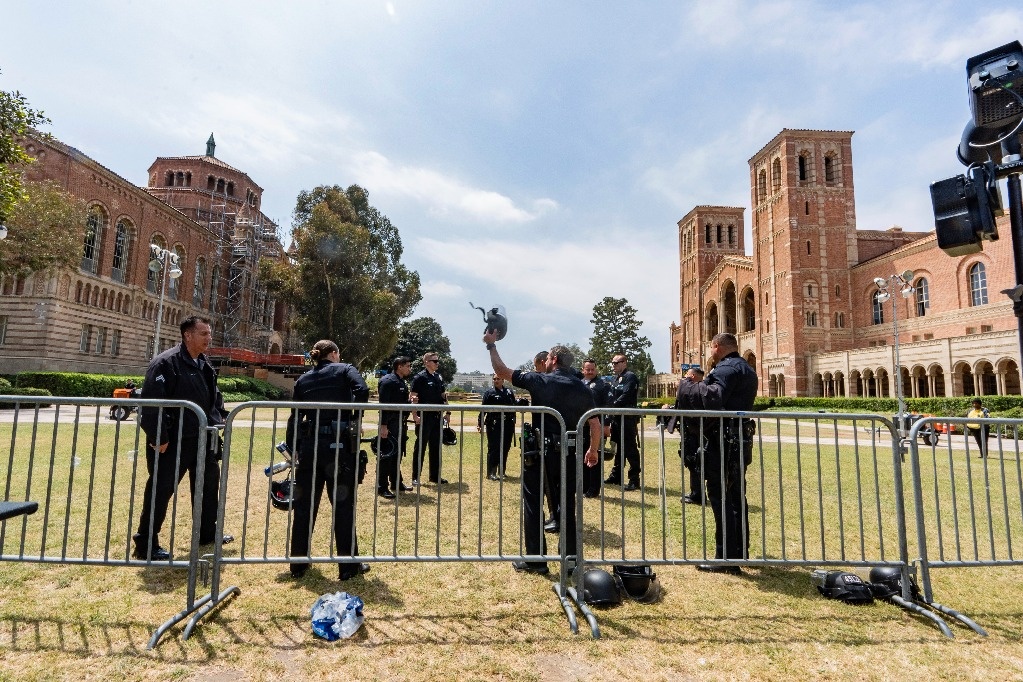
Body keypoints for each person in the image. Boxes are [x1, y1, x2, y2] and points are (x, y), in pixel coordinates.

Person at [483, 330, 601, 575]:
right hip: (569, 453)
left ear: (554, 360)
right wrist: (592, 450)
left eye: (547, 358)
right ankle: (570, 560)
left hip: (540, 453)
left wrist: (491, 346)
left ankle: (537, 561)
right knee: (567, 504)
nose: (545, 362)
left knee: (533, 502)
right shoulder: (582, 387)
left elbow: (503, 371)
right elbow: (595, 423)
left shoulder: (540, 381)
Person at [134, 316, 230, 561]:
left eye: (209, 333)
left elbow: (213, 398)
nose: (209, 338)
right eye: (204, 334)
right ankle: (145, 544)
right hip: (172, 442)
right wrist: (159, 436)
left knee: (208, 487)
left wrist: (221, 420)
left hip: (202, 439)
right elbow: (152, 403)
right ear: (188, 335)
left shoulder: (204, 363)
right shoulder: (166, 363)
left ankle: (207, 533)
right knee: (161, 490)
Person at [286, 339, 371, 581]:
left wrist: (294, 447)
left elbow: (295, 416)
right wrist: (355, 419)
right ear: (333, 354)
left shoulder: (303, 379)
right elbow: (362, 390)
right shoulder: (345, 369)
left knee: (304, 507)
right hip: (339, 446)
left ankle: (298, 564)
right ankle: (348, 566)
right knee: (343, 507)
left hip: (310, 447)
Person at [675, 333, 758, 574]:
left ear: (716, 347)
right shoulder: (746, 369)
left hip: (724, 441)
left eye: (712, 348)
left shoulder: (725, 369)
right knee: (735, 496)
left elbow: (713, 397)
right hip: (739, 439)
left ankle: (724, 557)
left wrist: (688, 385)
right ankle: (738, 553)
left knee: (721, 497)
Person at [377, 356, 415, 498]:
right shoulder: (388, 381)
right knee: (386, 455)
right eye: (408, 366)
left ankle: (396, 482)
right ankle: (382, 487)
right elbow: (384, 406)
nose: (409, 369)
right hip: (390, 423)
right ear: (399, 366)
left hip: (399, 422)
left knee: (396, 455)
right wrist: (383, 426)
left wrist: (409, 402)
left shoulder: (400, 381)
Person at [410, 352, 450, 485]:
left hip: (437, 417)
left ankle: (434, 476)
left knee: (436, 447)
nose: (437, 363)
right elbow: (413, 397)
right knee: (420, 447)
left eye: (438, 361)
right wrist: (415, 415)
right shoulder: (419, 378)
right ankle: (416, 477)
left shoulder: (438, 377)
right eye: (434, 361)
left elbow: (444, 396)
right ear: (426, 362)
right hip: (424, 417)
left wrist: (448, 412)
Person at [605, 353, 641, 491]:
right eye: (612, 363)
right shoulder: (615, 379)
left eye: (616, 363)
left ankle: (634, 479)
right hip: (616, 417)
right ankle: (616, 476)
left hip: (627, 416)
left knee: (630, 447)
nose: (613, 365)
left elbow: (626, 395)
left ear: (624, 363)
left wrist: (612, 405)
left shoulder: (630, 377)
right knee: (619, 447)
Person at [674, 367, 706, 505]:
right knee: (694, 461)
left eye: (687, 375)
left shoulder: (687, 386)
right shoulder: (701, 389)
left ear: (692, 376)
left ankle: (697, 494)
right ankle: (696, 492)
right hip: (696, 430)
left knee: (694, 461)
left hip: (693, 431)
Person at [580, 358, 611, 498]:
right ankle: (584, 487)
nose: (590, 372)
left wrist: (605, 424)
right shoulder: (579, 384)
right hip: (582, 427)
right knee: (582, 456)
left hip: (596, 427)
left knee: (594, 457)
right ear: (583, 370)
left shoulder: (603, 385)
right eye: (588, 369)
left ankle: (594, 489)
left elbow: (609, 406)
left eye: (593, 369)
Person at [478, 375, 517, 479]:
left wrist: (514, 420)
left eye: (498, 379)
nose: (496, 381)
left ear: (503, 380)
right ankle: (491, 472)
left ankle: (502, 471)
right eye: (494, 379)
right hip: (494, 423)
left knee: (505, 447)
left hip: (508, 423)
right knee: (494, 447)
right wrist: (480, 423)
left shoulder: (509, 392)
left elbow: (514, 406)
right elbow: (483, 409)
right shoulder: (489, 393)